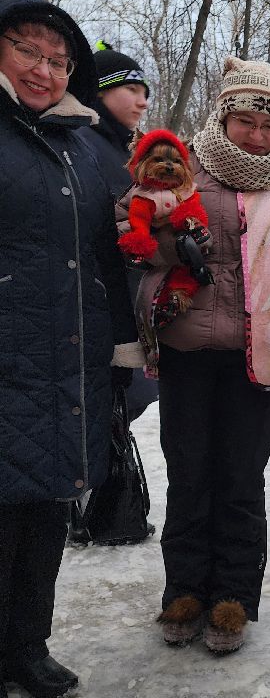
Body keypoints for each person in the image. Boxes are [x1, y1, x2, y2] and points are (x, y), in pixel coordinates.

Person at [119, 56, 270, 655]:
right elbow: (128, 225)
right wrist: (167, 249)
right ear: (224, 115)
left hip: (257, 356)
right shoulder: (181, 169)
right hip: (186, 350)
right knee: (190, 473)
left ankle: (233, 597)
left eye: (269, 127)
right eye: (246, 121)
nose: (257, 135)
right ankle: (183, 592)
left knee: (241, 478)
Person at [0, 0, 141, 698]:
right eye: (27, 50)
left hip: (70, 355)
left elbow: (121, 240)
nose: (44, 68)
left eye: (58, 59)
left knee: (48, 506)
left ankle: (27, 644)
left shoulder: (85, 144)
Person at [66, 42, 157, 547]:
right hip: (97, 306)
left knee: (120, 402)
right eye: (130, 88)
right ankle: (96, 507)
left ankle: (101, 504)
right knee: (102, 403)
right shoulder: (87, 145)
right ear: (100, 92)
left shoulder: (124, 147)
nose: (141, 100)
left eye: (145, 90)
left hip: (125, 302)